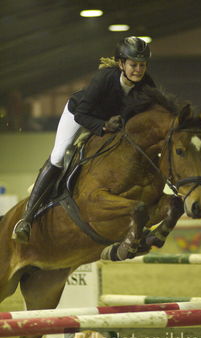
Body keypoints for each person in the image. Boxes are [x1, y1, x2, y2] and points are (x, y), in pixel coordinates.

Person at [12, 36, 156, 244]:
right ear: (121, 63)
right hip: (79, 114)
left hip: (112, 123)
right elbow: (82, 115)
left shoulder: (147, 84)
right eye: (134, 64)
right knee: (60, 154)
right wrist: (104, 126)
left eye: (142, 65)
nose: (138, 70)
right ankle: (27, 217)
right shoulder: (104, 78)